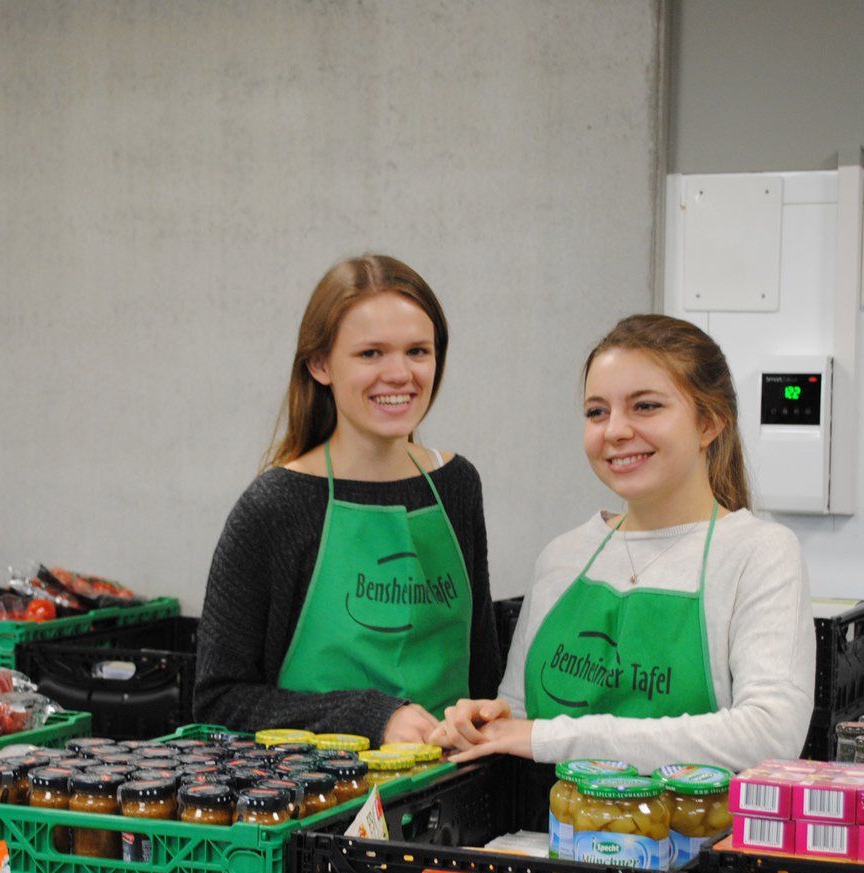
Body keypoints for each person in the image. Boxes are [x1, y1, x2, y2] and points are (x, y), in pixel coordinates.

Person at [432, 314, 812, 771]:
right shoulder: (563, 557)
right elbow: (521, 716)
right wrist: (484, 720)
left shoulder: (760, 553)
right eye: (597, 412)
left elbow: (770, 735)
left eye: (645, 406)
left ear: (709, 423)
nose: (614, 431)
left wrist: (554, 736)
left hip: (690, 841)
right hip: (550, 837)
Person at [195, 254, 501, 744]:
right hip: (317, 804)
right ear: (320, 364)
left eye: (417, 351)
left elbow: (483, 669)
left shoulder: (458, 484)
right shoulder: (275, 506)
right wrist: (373, 717)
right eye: (371, 354)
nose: (400, 374)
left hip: (447, 797)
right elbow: (221, 701)